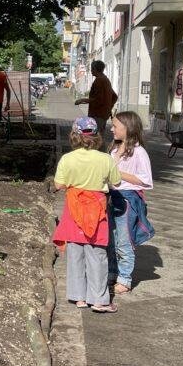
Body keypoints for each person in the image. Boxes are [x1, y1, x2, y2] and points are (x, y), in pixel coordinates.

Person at [52, 116, 122, 313]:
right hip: (97, 210)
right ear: (97, 136)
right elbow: (116, 182)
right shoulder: (105, 159)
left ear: (74, 135)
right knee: (98, 256)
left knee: (75, 254)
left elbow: (59, 185)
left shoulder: (67, 159)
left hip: (74, 209)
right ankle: (98, 300)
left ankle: (78, 297)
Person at [108, 111, 154, 294]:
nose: (112, 129)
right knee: (110, 238)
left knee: (124, 240)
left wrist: (118, 175)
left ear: (127, 128)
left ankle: (125, 278)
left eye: (115, 126)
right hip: (111, 197)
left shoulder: (138, 152)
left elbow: (146, 180)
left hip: (127, 199)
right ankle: (112, 272)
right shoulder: (114, 149)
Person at [75, 60, 118, 144]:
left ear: (95, 69)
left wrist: (82, 100)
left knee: (94, 138)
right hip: (104, 114)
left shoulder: (99, 81)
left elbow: (98, 99)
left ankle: (97, 154)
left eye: (92, 69)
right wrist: (108, 108)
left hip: (97, 114)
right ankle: (101, 154)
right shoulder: (106, 80)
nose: (91, 71)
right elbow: (114, 97)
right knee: (100, 136)